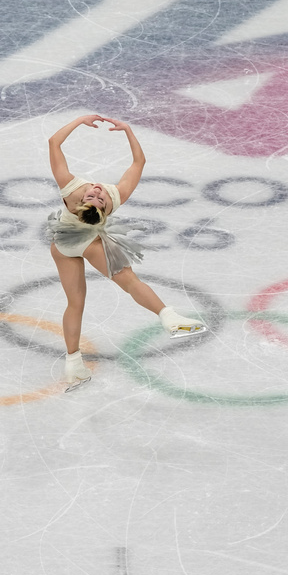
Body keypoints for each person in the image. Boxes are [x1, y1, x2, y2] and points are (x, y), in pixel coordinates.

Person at [46, 114, 207, 391]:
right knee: (130, 282)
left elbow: (54, 143)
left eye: (95, 197)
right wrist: (128, 131)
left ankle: (73, 364)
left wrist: (79, 121)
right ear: (108, 209)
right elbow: (138, 163)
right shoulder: (116, 195)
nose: (96, 190)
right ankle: (169, 317)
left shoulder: (72, 190)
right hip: (83, 240)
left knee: (75, 303)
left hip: (62, 244)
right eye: (97, 197)